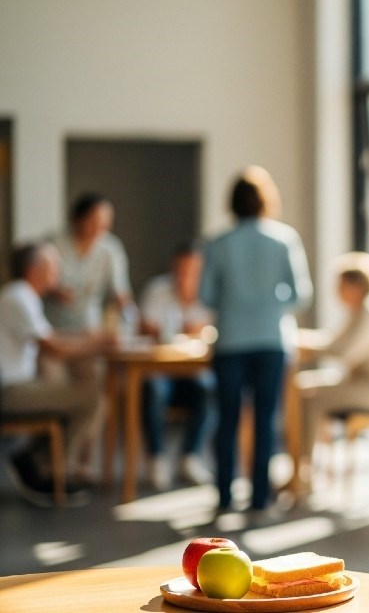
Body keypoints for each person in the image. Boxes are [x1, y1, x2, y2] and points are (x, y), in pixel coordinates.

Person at [200, 166, 312, 512]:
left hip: (230, 341)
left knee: (228, 419)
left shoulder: (217, 243)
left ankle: (224, 496)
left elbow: (206, 296)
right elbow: (301, 295)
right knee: (265, 421)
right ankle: (260, 498)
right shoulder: (284, 239)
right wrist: (269, 303)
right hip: (270, 341)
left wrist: (235, 302)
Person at [0, 242, 114, 507]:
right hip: (9, 390)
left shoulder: (24, 296)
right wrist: (99, 344)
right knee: (90, 399)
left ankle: (35, 461)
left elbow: (51, 338)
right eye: (53, 264)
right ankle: (47, 470)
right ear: (33, 269)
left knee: (78, 397)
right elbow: (54, 349)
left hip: (20, 385)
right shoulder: (18, 297)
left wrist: (88, 338)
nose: (59, 270)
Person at [294, 252, 369, 486]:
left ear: (355, 285)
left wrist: (308, 346)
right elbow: (336, 342)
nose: (337, 293)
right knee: (302, 385)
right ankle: (303, 469)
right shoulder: (368, 307)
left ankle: (303, 473)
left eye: (340, 285)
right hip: (361, 382)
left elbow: (346, 352)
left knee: (309, 395)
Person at [138, 240, 215, 490]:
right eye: (181, 270)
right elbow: (147, 326)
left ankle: (190, 457)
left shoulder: (209, 294)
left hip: (194, 372)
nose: (185, 277)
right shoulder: (157, 290)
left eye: (192, 271)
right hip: (161, 370)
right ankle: (156, 459)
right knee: (153, 389)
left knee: (210, 389)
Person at [45, 193, 136, 339]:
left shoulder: (111, 249)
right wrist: (55, 292)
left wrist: (129, 317)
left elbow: (120, 292)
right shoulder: (55, 243)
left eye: (104, 223)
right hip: (53, 325)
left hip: (89, 327)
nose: (98, 228)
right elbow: (37, 281)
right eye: (93, 221)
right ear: (78, 219)